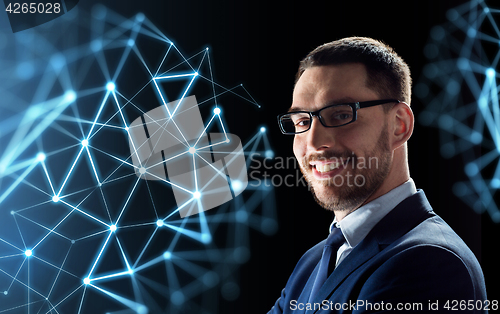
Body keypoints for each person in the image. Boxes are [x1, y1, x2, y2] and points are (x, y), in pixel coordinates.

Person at [270, 37, 487, 313]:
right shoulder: (311, 264)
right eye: (302, 121)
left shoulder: (429, 262)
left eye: (339, 115)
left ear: (399, 125)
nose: (313, 142)